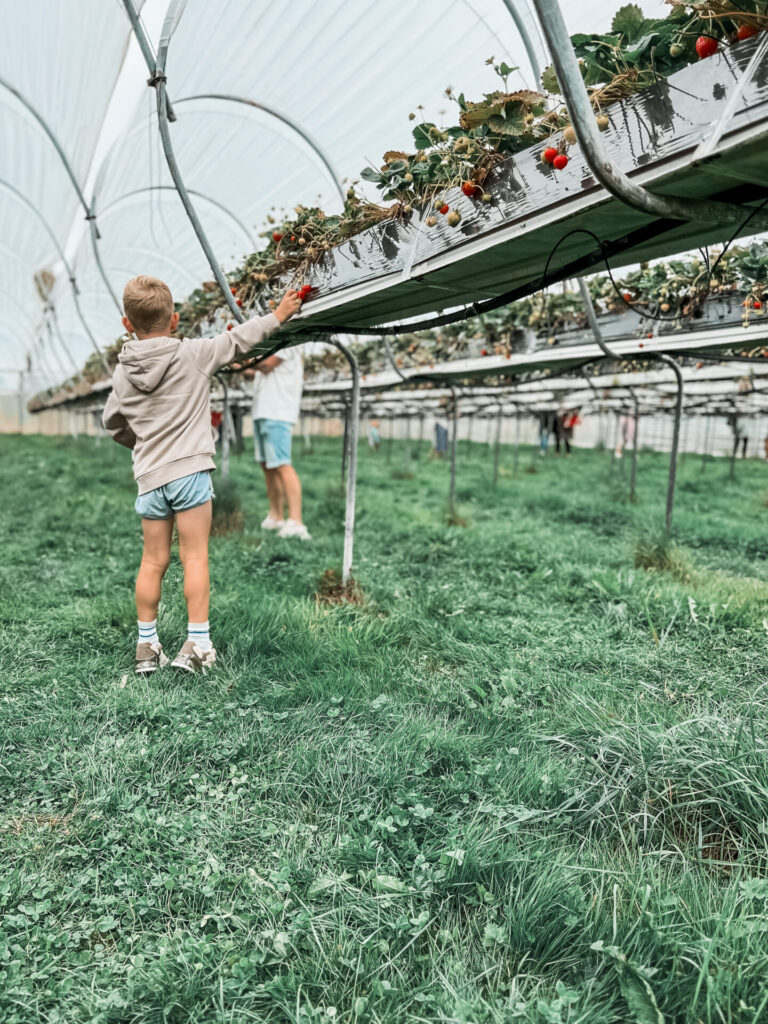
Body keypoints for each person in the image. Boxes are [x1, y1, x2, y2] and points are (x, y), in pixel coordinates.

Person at [103, 275, 301, 675]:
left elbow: (113, 421)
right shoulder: (193, 353)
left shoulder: (123, 371)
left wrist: (141, 445)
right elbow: (239, 340)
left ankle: (146, 647)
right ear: (174, 319)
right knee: (194, 557)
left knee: (153, 561)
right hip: (190, 471)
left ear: (128, 324)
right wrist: (278, 315)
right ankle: (197, 644)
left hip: (150, 477)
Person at [249, 342, 310, 540]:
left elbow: (266, 365)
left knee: (282, 464)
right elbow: (254, 371)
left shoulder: (290, 340)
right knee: (268, 465)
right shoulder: (271, 342)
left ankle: (296, 521)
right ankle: (276, 515)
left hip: (278, 410)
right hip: (264, 409)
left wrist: (240, 359)